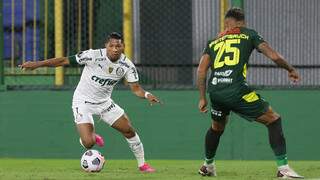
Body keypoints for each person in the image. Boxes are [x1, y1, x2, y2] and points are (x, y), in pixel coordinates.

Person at [20, 32, 160, 173]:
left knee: (128, 130)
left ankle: (142, 165)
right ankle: (92, 137)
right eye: (112, 45)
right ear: (106, 46)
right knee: (88, 143)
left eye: (118, 45)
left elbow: (136, 89)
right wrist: (36, 64)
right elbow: (63, 61)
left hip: (105, 103)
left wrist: (147, 95)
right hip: (83, 102)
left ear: (123, 46)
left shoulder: (127, 65)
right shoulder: (93, 55)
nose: (115, 48)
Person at [196, 8, 303, 179]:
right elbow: (274, 56)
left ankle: (208, 165)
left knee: (216, 128)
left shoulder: (213, 42)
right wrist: (290, 69)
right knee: (274, 119)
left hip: (215, 91)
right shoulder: (249, 34)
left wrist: (202, 97)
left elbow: (201, 71)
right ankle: (283, 169)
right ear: (242, 22)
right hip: (236, 90)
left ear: (226, 22)